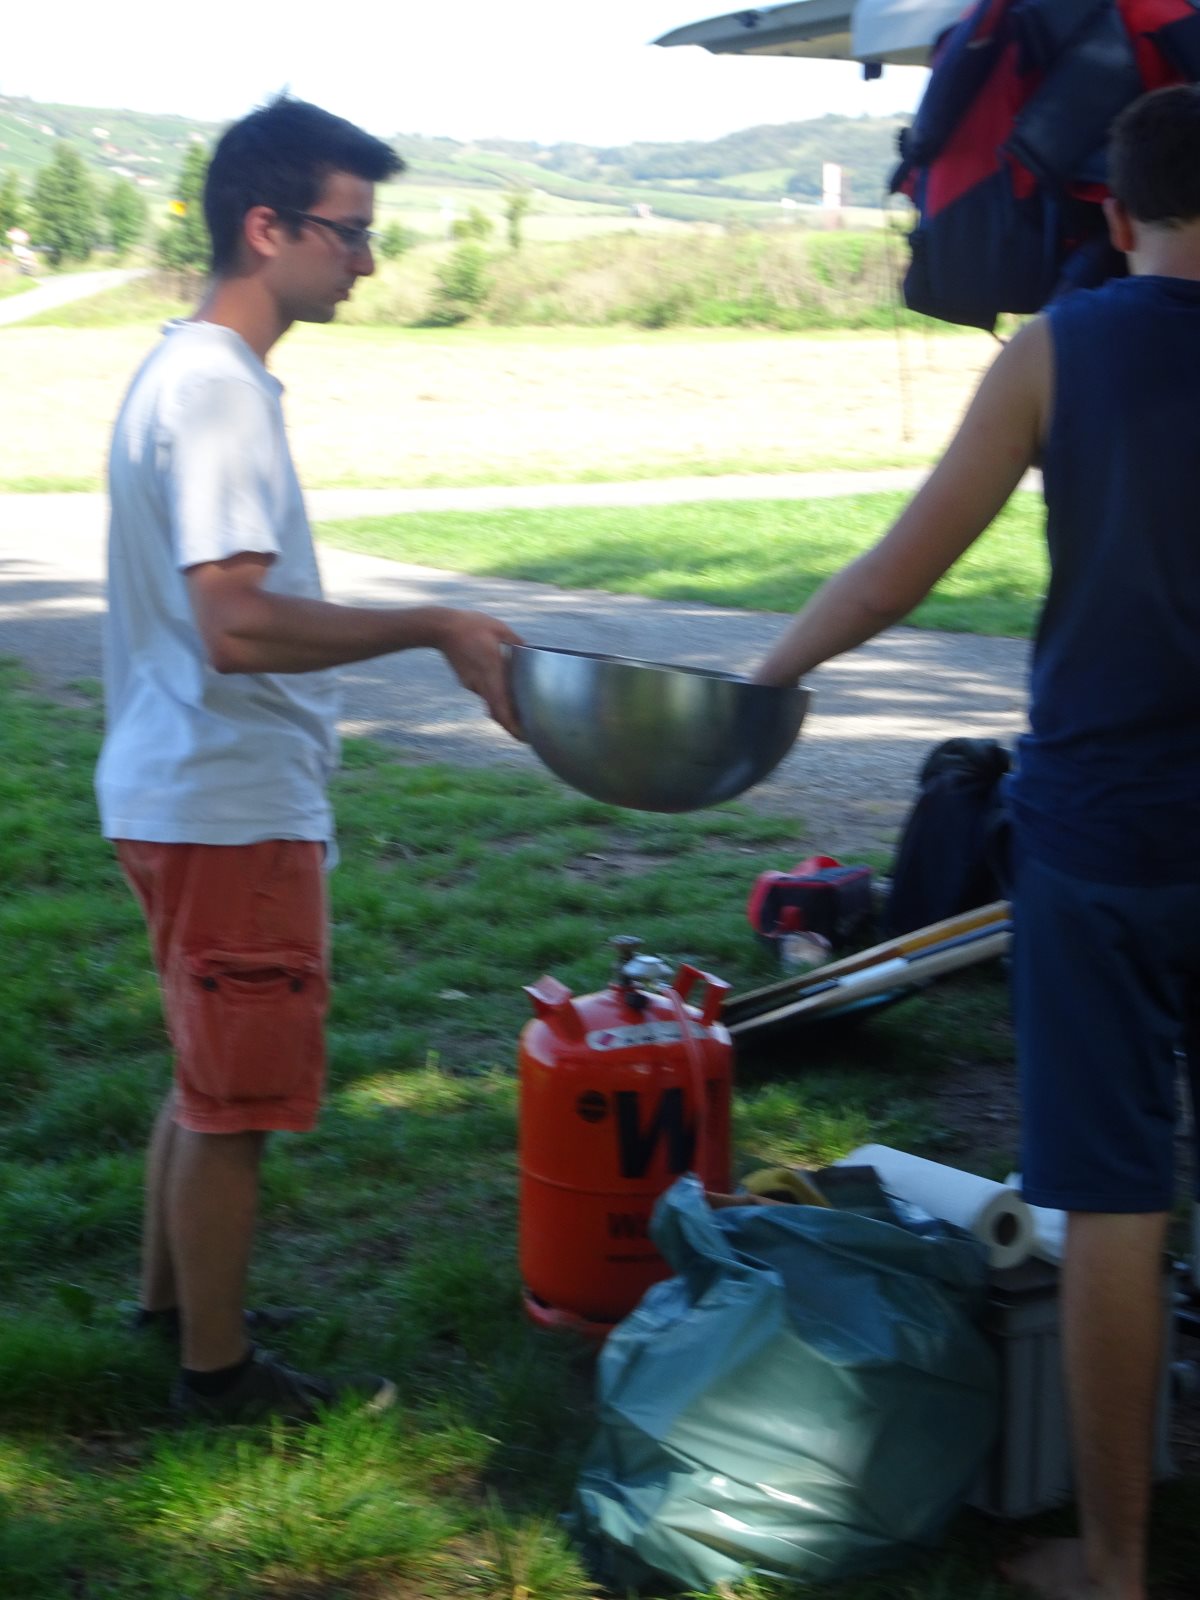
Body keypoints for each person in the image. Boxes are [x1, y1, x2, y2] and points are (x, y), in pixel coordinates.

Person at [753, 84, 1200, 1600]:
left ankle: (1116, 1564)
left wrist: (766, 680)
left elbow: (896, 574)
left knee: (1115, 1198)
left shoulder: (1058, 350)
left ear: (1114, 213)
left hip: (1100, 835)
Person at [95, 97, 525, 1424]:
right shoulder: (219, 388)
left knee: (202, 1074)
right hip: (227, 803)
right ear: (267, 227)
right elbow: (235, 623)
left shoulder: (180, 367)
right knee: (235, 1105)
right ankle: (220, 1380)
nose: (369, 262)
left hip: (181, 789)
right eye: (351, 232)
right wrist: (435, 626)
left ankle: (174, 1310)